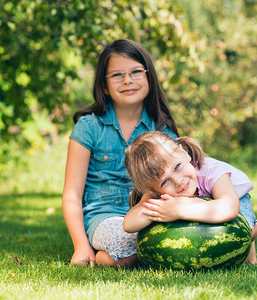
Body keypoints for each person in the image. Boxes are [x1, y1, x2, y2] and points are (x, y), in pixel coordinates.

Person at [62, 39, 179, 268]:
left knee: (168, 238)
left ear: (149, 78)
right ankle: (110, 255)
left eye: (136, 72)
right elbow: (71, 195)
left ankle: (128, 253)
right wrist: (81, 246)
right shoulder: (88, 128)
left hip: (149, 214)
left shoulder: (162, 129)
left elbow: (179, 181)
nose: (128, 80)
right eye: (117, 75)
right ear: (104, 86)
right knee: (128, 246)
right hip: (104, 218)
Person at [123, 131, 257, 264]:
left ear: (184, 154)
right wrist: (161, 209)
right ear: (153, 189)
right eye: (165, 182)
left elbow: (229, 208)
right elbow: (129, 224)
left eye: (177, 167)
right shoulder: (155, 192)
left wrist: (178, 210)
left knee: (244, 235)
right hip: (203, 207)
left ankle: (253, 232)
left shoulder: (212, 172)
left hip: (235, 200)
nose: (178, 181)